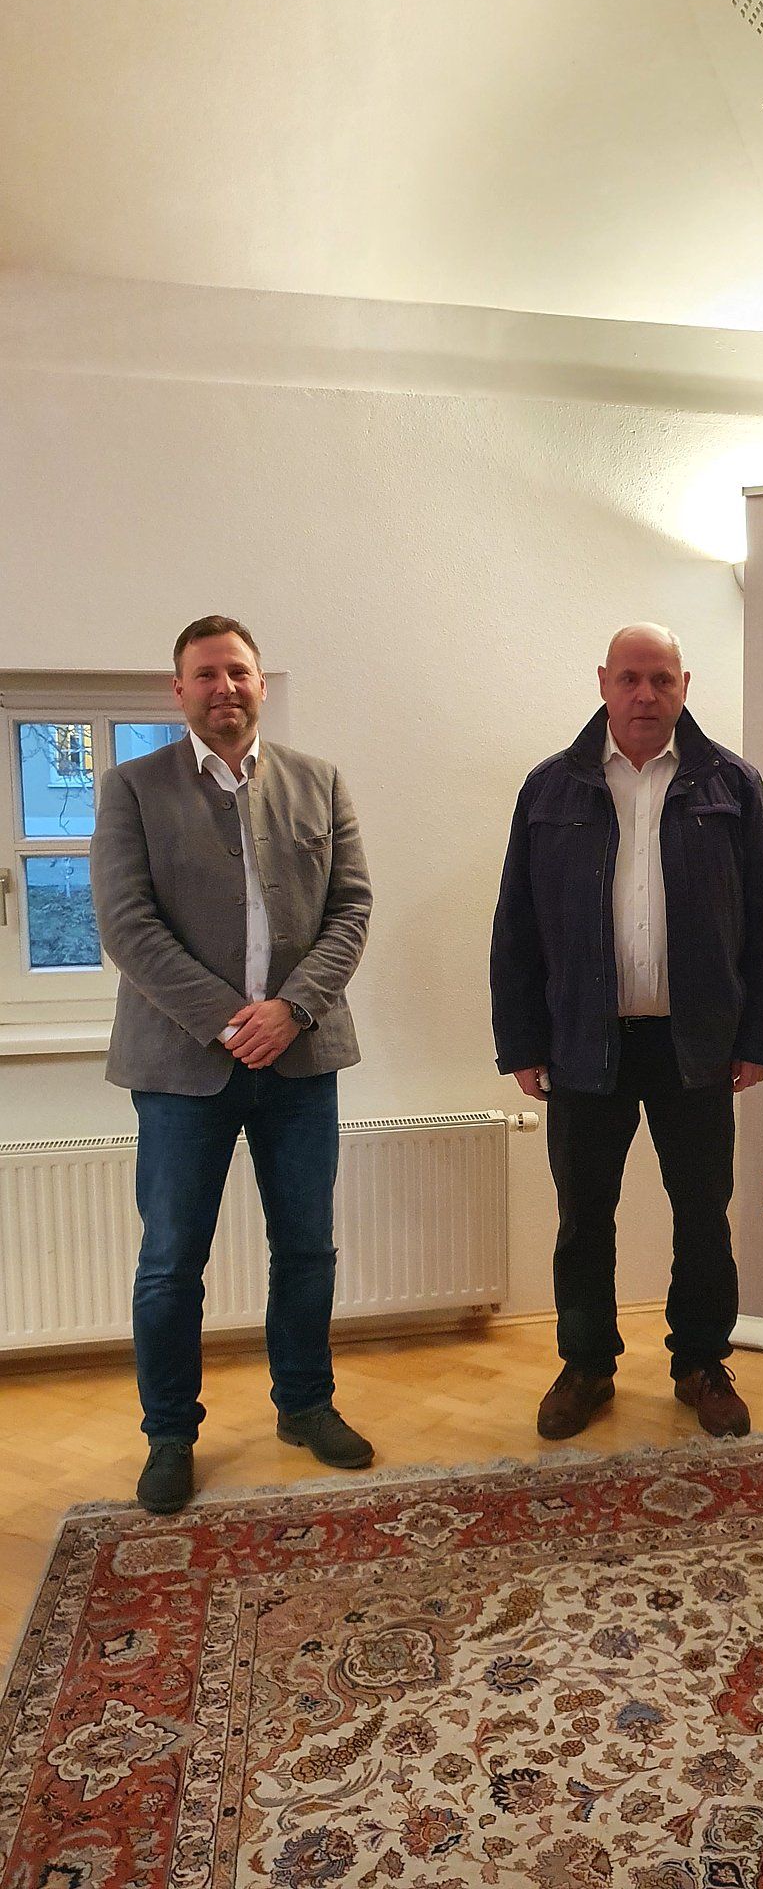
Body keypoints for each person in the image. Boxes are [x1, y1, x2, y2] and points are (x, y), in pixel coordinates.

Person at [90, 616, 375, 1514]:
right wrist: (229, 1020)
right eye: (206, 674)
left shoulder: (319, 781)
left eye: (239, 672)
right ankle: (170, 1434)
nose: (225, 688)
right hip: (181, 1068)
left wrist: (291, 1011)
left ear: (259, 683)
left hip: (302, 1055)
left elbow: (352, 910)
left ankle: (306, 1405)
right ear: (178, 690)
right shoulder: (132, 788)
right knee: (172, 1261)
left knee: (308, 1247)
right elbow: (126, 926)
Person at [491, 623, 763, 1441]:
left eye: (661, 679)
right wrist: (521, 1042)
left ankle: (701, 1362)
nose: (645, 694)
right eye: (629, 678)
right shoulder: (550, 787)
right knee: (583, 1216)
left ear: (684, 686)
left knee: (702, 1213)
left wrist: (759, 1038)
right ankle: (586, 1365)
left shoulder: (732, 784)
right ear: (603, 682)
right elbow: (516, 925)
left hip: (696, 1043)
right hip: (582, 1041)